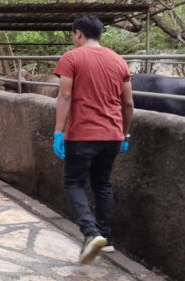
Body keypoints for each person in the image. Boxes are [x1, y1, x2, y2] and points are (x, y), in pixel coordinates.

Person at [53, 16, 134, 265]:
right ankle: (106, 239)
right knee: (102, 184)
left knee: (74, 184)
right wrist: (125, 133)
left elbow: (65, 96)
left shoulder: (72, 58)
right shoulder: (118, 60)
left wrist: (58, 132)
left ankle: (91, 232)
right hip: (112, 135)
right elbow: (128, 103)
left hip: (83, 134)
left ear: (78, 34)